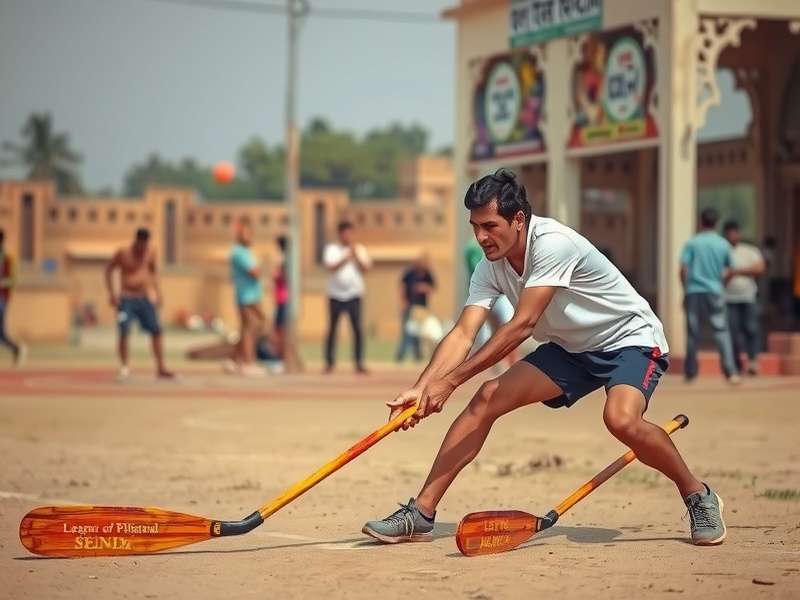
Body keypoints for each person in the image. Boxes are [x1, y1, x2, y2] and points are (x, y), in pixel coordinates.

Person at [362, 169, 725, 547]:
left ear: (518, 219)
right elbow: (463, 333)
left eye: (490, 225)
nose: (481, 237)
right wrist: (422, 388)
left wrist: (450, 382)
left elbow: (523, 325)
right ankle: (421, 514)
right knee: (487, 397)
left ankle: (698, 494)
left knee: (620, 420)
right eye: (475, 227)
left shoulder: (552, 244)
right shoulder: (490, 266)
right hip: (571, 349)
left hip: (628, 340)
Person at [679, 208, 739, 384]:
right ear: (716, 223)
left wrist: (685, 288)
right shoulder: (723, 244)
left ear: (701, 221)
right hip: (715, 290)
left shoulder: (692, 243)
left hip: (694, 291)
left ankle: (690, 372)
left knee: (693, 333)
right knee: (721, 331)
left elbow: (683, 269)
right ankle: (730, 372)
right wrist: (722, 285)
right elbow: (732, 270)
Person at [104, 228, 173, 380]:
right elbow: (109, 269)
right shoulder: (123, 253)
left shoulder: (151, 252)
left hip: (144, 298)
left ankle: (160, 367)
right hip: (126, 299)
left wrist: (158, 292)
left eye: (146, 245)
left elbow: (154, 273)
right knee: (124, 330)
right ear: (136, 241)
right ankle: (124, 367)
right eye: (141, 245)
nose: (143, 249)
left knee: (156, 330)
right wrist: (112, 293)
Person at [323, 221, 371, 374]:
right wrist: (346, 257)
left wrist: (356, 256)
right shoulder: (332, 249)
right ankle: (329, 362)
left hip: (354, 295)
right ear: (340, 234)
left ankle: (359, 362)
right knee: (332, 328)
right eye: (344, 233)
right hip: (335, 295)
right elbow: (330, 267)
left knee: (357, 329)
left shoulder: (360, 249)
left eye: (350, 233)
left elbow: (366, 269)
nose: (347, 236)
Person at [465, 237, 518, 367]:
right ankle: (506, 362)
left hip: (493, 294)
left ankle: (508, 362)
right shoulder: (473, 248)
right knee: (508, 329)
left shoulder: (472, 248)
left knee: (504, 329)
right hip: (493, 293)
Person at [723, 221, 765, 375]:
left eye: (735, 232)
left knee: (751, 329)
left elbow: (760, 268)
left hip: (748, 297)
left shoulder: (749, 250)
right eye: (729, 233)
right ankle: (737, 364)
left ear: (739, 234)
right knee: (733, 332)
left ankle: (753, 361)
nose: (732, 236)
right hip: (728, 299)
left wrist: (737, 271)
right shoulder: (723, 251)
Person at [229, 219, 268, 377]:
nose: (250, 236)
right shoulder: (238, 252)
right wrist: (263, 267)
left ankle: (235, 359)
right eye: (246, 233)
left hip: (253, 294)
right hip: (246, 295)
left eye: (251, 233)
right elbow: (255, 272)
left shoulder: (246, 251)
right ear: (239, 235)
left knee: (253, 326)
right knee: (250, 328)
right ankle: (248, 362)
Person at [396, 254, 436, 362]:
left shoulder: (427, 274)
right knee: (407, 331)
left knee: (419, 332)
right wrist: (403, 302)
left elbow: (432, 287)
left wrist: (423, 288)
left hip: (421, 308)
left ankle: (417, 355)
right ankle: (400, 355)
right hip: (409, 306)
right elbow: (402, 288)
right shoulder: (409, 274)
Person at [0, 229, 24, 365]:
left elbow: (13, 280)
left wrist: (2, 283)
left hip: (2, 298)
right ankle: (16, 348)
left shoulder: (8, 258)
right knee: (1, 335)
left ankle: (16, 348)